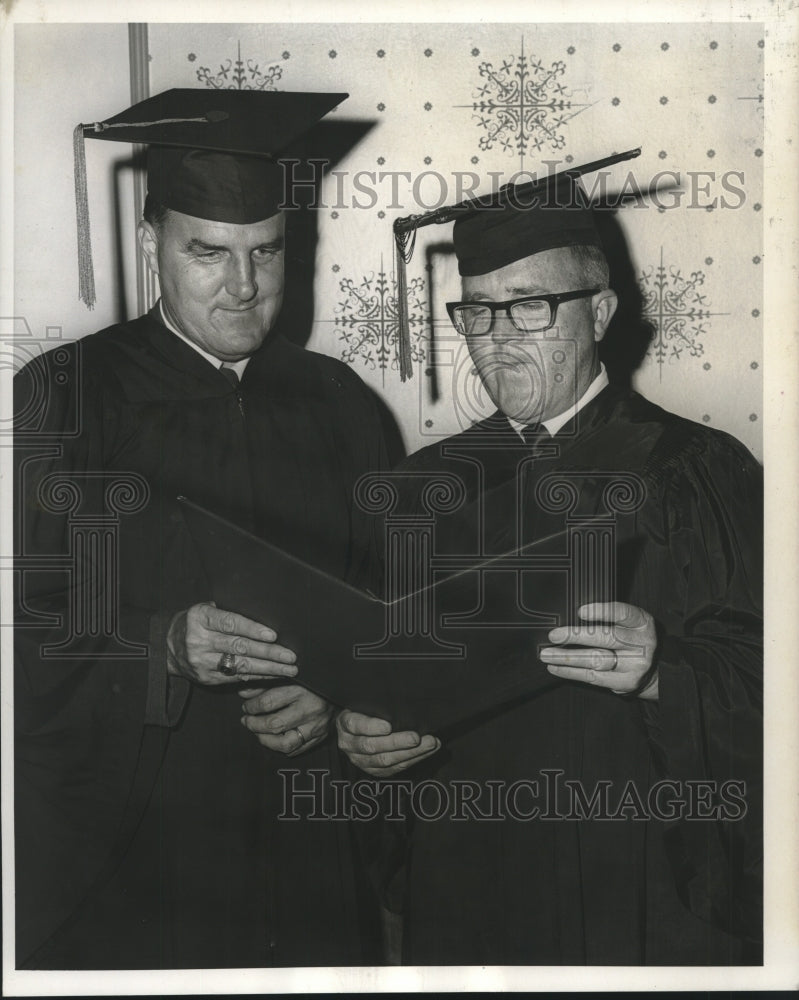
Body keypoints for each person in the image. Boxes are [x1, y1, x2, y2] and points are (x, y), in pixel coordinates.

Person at [337, 154, 763, 965]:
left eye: (530, 306)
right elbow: (375, 675)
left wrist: (665, 670)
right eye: (478, 313)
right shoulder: (422, 487)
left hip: (639, 887)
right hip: (470, 883)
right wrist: (361, 740)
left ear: (599, 312)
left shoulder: (695, 471)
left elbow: (771, 686)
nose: (497, 342)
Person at [14, 89, 387, 969]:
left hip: (308, 815)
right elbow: (29, 625)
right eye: (208, 253)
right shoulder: (69, 395)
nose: (244, 285)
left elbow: (393, 606)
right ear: (153, 246)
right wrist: (164, 646)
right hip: (144, 825)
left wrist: (339, 688)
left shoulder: (342, 404)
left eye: (266, 251)